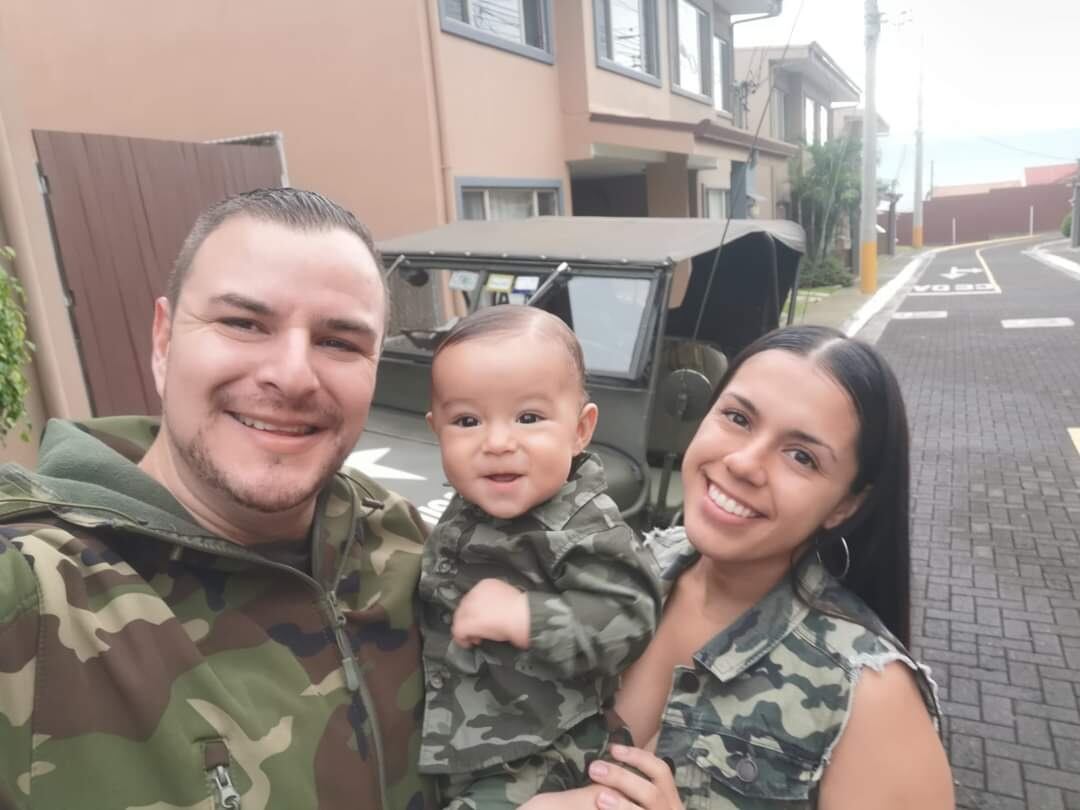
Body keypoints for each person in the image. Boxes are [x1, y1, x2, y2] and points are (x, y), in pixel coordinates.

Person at [0, 189, 435, 810]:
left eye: (339, 341)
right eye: (243, 324)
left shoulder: (404, 544)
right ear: (163, 340)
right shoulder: (31, 594)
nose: (292, 375)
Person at [523, 325, 955, 810]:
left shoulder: (869, 698)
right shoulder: (629, 565)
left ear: (846, 505)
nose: (745, 463)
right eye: (738, 417)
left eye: (802, 457)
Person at [419, 306, 663, 809]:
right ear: (436, 429)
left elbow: (630, 618)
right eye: (467, 421)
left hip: (541, 754)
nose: (497, 443)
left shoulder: (583, 528)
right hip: (458, 738)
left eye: (528, 418)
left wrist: (526, 616)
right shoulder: (473, 504)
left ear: (580, 429)